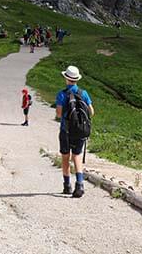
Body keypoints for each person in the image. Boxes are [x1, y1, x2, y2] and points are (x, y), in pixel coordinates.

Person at [55, 65, 94, 198]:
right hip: (80, 131)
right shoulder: (84, 93)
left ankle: (67, 186)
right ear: (77, 80)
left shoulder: (62, 94)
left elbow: (59, 114)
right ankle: (80, 184)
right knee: (76, 156)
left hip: (65, 130)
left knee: (65, 157)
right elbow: (91, 112)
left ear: (66, 78)